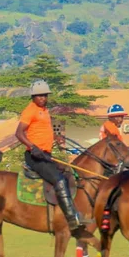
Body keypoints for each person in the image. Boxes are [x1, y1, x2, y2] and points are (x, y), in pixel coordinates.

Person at [15, 80, 85, 232]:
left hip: (45, 155)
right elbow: (19, 133)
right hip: (35, 157)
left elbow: (41, 131)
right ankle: (72, 218)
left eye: (45, 95)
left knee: (67, 173)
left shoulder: (45, 111)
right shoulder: (30, 110)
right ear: (33, 96)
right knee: (59, 181)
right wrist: (32, 147)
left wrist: (56, 137)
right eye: (39, 96)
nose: (43, 98)